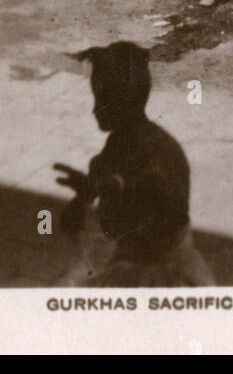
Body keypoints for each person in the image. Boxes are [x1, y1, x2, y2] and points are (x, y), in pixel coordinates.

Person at [54, 42, 212, 287]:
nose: (95, 109)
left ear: (125, 102)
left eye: (103, 100)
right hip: (139, 260)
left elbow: (156, 182)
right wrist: (88, 192)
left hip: (162, 277)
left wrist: (117, 186)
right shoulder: (120, 143)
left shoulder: (158, 149)